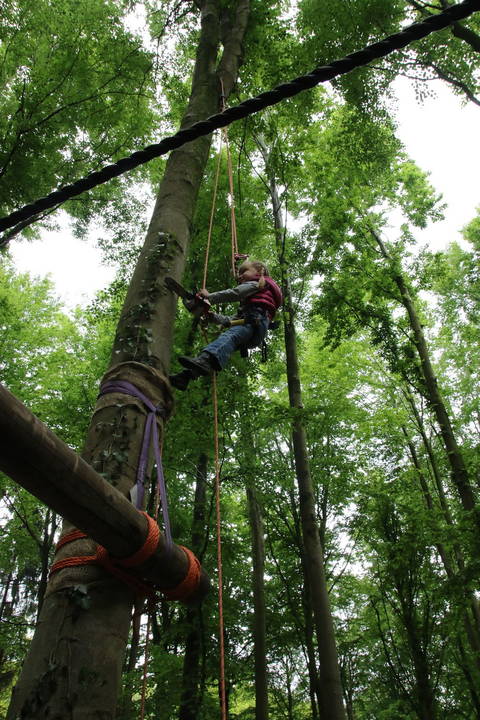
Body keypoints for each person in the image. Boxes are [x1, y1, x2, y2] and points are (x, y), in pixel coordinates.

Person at [170, 260, 282, 390]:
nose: (239, 276)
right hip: (253, 330)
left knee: (227, 338)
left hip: (254, 323)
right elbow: (231, 320)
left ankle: (202, 362)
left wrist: (209, 297)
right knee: (224, 346)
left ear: (259, 270)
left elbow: (235, 293)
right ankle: (185, 377)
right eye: (239, 274)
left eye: (243, 272)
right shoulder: (249, 307)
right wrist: (213, 317)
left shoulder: (257, 284)